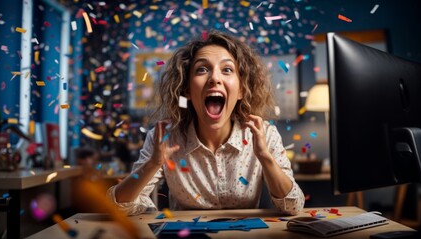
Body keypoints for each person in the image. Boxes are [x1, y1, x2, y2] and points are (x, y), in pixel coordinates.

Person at [107, 31, 305, 216]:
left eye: (227, 69)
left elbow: (293, 206)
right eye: (202, 69)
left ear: (242, 90)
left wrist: (264, 157)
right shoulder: (164, 137)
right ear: (186, 90)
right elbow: (117, 206)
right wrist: (154, 163)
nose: (214, 78)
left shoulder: (264, 134)